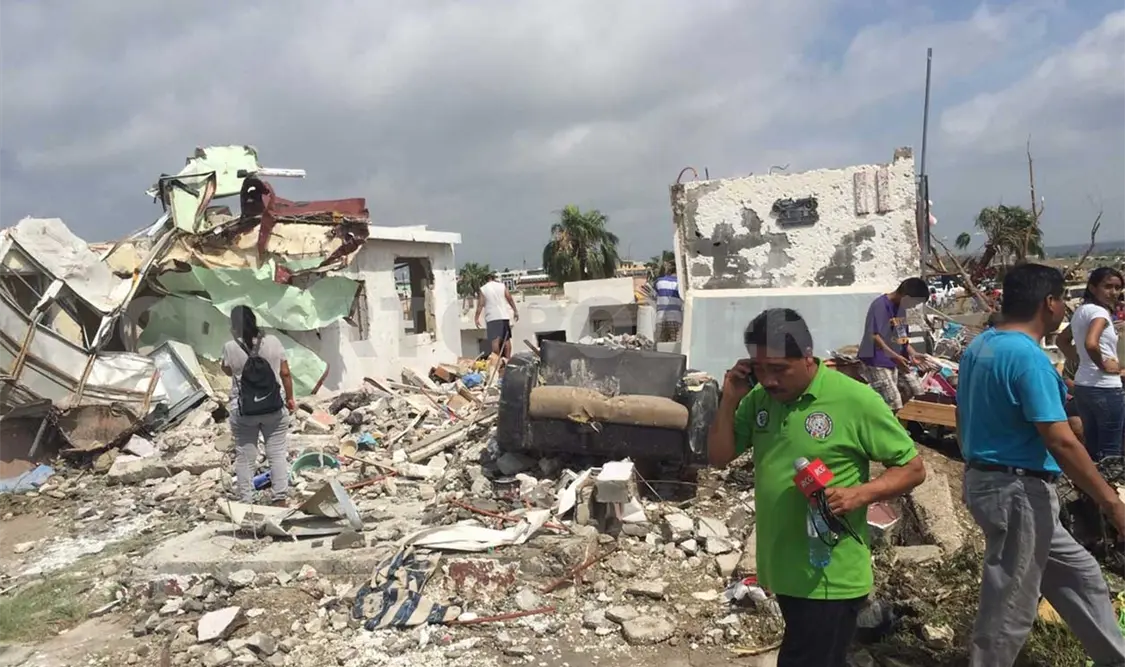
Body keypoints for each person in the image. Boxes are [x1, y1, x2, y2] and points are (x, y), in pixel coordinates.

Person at [708, 308, 926, 667]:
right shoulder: (759, 400)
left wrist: (861, 493)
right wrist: (730, 398)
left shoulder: (854, 399)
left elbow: (913, 468)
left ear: (809, 356)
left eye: (779, 369)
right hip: (784, 567)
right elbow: (719, 456)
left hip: (830, 572)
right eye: (760, 369)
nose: (769, 380)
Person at [957, 263, 1125, 667]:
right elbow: (1061, 441)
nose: (1065, 307)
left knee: (1081, 576)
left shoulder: (982, 346)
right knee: (1010, 605)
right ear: (1048, 303)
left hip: (995, 481)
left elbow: (964, 418)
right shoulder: (1027, 357)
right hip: (1017, 490)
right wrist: (1112, 503)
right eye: (1062, 299)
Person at [220, 306, 296, 506]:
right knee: (277, 452)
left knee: (245, 457)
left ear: (233, 325)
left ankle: (247, 501)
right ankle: (280, 497)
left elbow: (227, 371)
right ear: (254, 320)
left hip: (244, 410)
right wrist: (290, 399)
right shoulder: (273, 341)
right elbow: (285, 373)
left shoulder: (229, 347)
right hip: (273, 406)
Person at [1056, 267, 1124, 460]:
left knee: (1093, 448)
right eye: (1108, 286)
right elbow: (1091, 343)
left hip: (1084, 386)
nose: (1114, 292)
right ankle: (1110, 489)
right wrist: (1103, 365)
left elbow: (1061, 340)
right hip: (1105, 386)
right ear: (1093, 288)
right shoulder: (1100, 314)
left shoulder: (1081, 311)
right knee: (1111, 452)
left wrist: (1081, 360)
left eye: (1118, 287)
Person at [858, 277, 931, 411]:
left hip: (897, 359)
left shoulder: (901, 309)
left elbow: (902, 336)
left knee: (915, 389)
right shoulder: (880, 306)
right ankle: (885, 425)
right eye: (913, 303)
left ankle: (890, 418)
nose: (913, 307)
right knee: (893, 400)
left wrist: (913, 353)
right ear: (905, 296)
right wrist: (894, 356)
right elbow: (874, 336)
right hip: (877, 360)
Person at [475, 273, 519, 361]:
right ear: (494, 278)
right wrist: (515, 310)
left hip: (492, 317)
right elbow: (509, 298)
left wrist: (476, 317)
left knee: (495, 341)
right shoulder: (502, 286)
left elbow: (481, 304)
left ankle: (497, 361)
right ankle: (508, 359)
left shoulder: (484, 289)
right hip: (504, 316)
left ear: (486, 279)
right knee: (506, 340)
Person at [654, 267, 683, 343]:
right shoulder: (680, 283)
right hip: (675, 318)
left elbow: (654, 296)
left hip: (660, 318)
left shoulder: (658, 281)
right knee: (675, 344)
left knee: (660, 344)